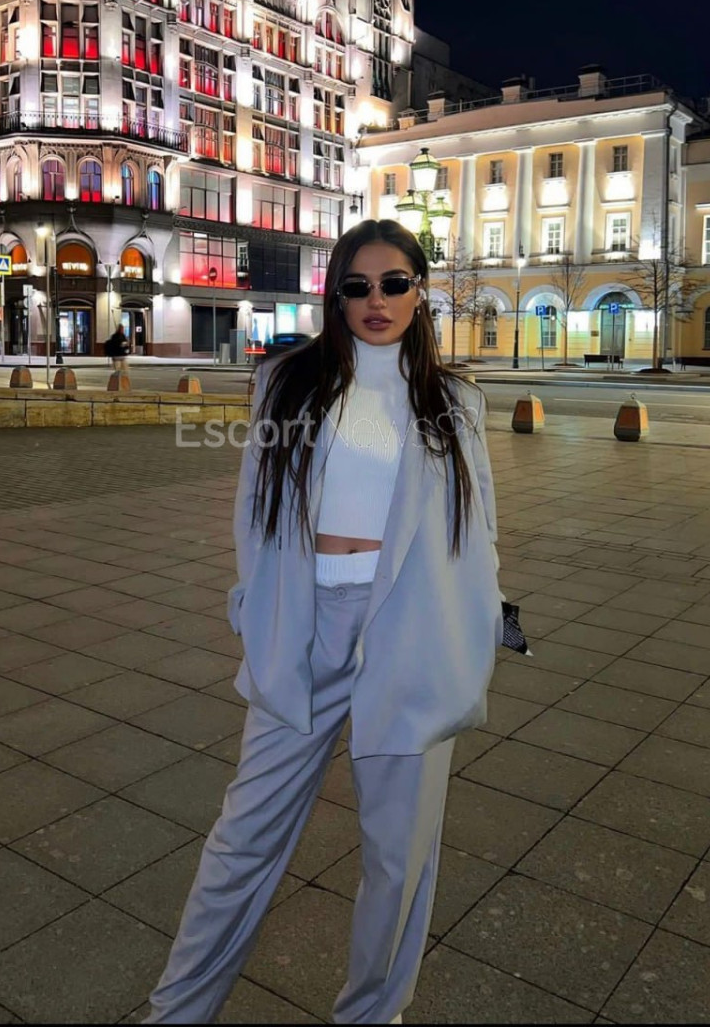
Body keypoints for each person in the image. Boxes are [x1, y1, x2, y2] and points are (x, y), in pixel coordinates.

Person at [145, 219, 504, 1025]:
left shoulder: (454, 402)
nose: (376, 300)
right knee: (243, 840)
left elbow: (478, 530)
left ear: (419, 292)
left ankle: (373, 1016)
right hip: (305, 626)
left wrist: (477, 632)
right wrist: (254, 610)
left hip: (410, 631)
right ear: (334, 295)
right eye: (356, 286)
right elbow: (254, 514)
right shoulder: (288, 382)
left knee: (397, 860)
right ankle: (176, 1012)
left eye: (394, 283)